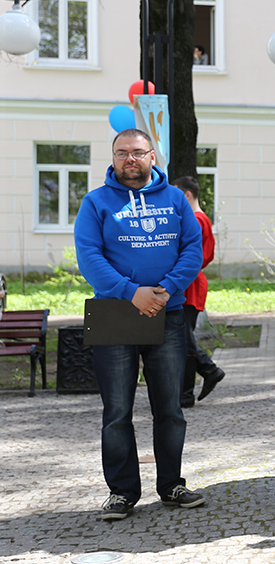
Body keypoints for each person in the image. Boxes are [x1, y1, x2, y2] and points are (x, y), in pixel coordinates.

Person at [74, 129, 205, 520]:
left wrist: (165, 289)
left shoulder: (175, 201)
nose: (129, 159)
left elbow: (191, 248)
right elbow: (89, 256)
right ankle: (122, 492)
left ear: (152, 155)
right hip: (115, 314)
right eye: (121, 153)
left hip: (168, 312)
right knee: (117, 411)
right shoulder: (95, 202)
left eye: (137, 152)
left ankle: (172, 485)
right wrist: (131, 292)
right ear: (113, 158)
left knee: (170, 408)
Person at [172, 176, 225, 408]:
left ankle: (207, 371)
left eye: (175, 195)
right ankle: (185, 392)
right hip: (189, 283)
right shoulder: (198, 219)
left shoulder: (195, 219)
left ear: (186, 195)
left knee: (183, 340)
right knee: (182, 339)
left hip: (188, 285)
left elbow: (199, 257)